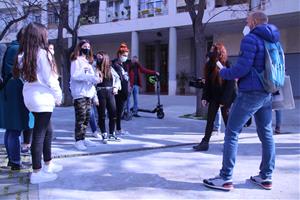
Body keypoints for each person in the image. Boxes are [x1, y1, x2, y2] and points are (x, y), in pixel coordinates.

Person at [203, 11, 278, 191]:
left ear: (253, 22)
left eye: (247, 21)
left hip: (251, 92)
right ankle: (266, 177)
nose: (246, 24)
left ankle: (225, 177)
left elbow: (242, 69)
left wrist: (223, 72)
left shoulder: (251, 39)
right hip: (267, 92)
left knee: (231, 131)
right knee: (266, 133)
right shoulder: (273, 40)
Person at [14, 22, 63, 184]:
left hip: (30, 96)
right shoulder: (43, 54)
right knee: (40, 134)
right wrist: (59, 96)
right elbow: (51, 79)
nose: (47, 37)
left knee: (47, 130)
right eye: (45, 34)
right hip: (42, 98)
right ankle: (37, 172)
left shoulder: (23, 55)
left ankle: (48, 164)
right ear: (39, 36)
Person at [193, 43, 236, 151]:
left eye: (214, 50)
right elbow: (207, 83)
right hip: (214, 97)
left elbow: (231, 84)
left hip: (226, 97)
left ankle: (229, 144)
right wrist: (204, 97)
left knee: (227, 121)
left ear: (220, 52)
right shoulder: (209, 65)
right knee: (210, 120)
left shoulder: (227, 64)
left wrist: (224, 100)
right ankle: (205, 143)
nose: (211, 52)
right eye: (211, 50)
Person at [0, 28, 30, 171]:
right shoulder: (18, 49)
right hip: (14, 89)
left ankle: (13, 160)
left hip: (8, 88)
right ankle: (15, 161)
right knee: (15, 128)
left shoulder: (12, 46)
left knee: (11, 128)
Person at [70, 39, 101, 151]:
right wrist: (89, 77)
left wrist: (96, 79)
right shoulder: (76, 60)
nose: (87, 48)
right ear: (80, 47)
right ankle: (78, 140)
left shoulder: (88, 62)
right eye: (85, 46)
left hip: (88, 94)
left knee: (87, 117)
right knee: (81, 117)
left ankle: (83, 138)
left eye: (88, 46)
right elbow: (75, 75)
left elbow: (92, 77)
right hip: (80, 93)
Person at [95, 51, 121, 143]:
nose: (98, 59)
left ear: (105, 58)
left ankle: (112, 133)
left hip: (110, 92)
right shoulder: (95, 68)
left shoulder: (110, 68)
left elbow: (117, 78)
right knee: (101, 115)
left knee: (113, 113)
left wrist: (116, 87)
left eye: (100, 57)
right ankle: (104, 134)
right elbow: (92, 82)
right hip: (100, 92)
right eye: (97, 57)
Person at [112, 43, 130, 135]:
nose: (125, 57)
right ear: (119, 54)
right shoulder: (115, 64)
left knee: (120, 112)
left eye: (126, 55)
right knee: (116, 112)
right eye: (124, 55)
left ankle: (118, 128)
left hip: (124, 92)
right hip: (117, 92)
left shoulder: (123, 64)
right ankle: (116, 129)